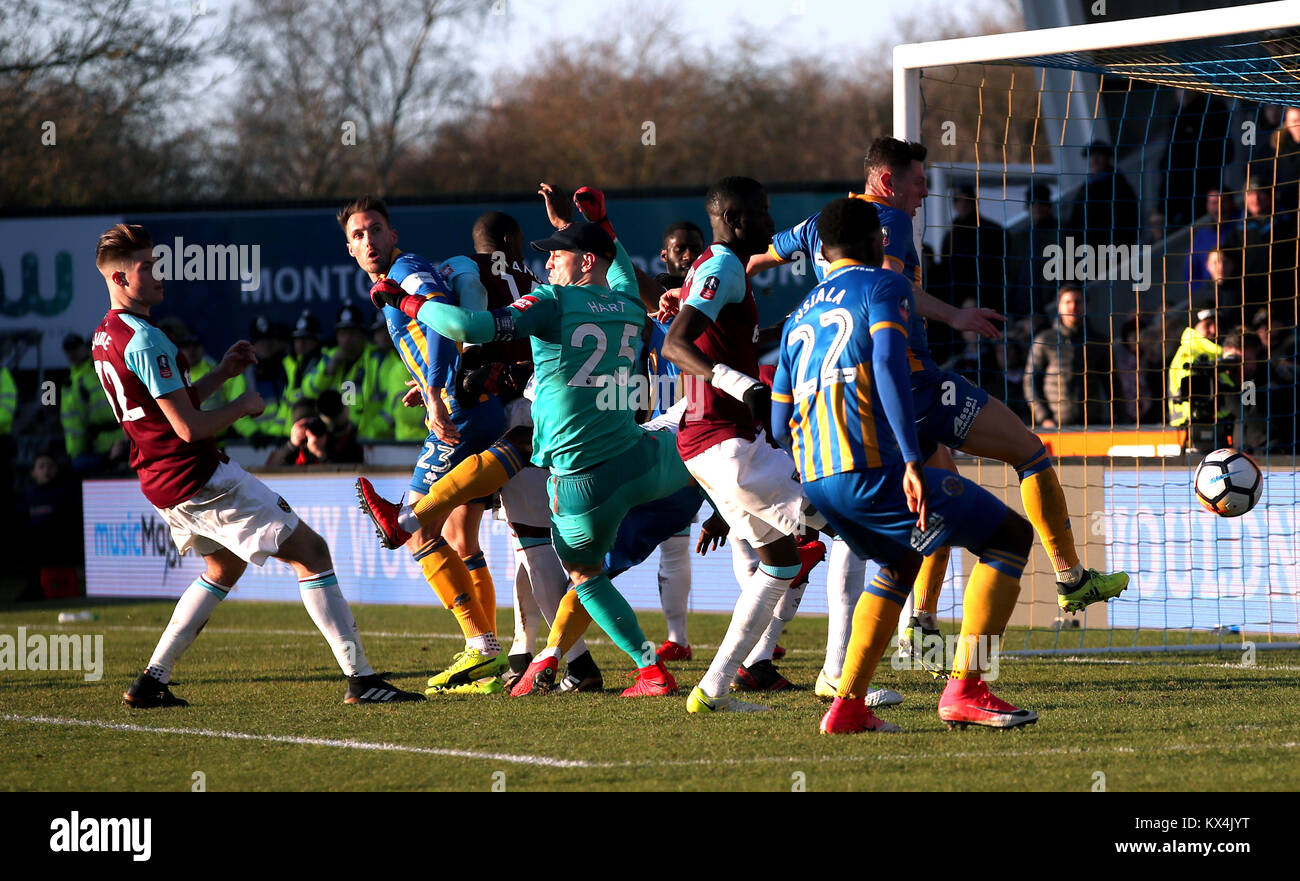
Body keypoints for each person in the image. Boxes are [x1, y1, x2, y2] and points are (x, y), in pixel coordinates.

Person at [750, 137, 1127, 641]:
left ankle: (918, 629)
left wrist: (709, 289)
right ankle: (1070, 578)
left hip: (854, 408)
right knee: (1031, 453)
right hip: (914, 382)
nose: (925, 193)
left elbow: (760, 259)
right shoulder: (889, 222)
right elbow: (885, 285)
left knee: (932, 514)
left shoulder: (825, 221)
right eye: (918, 182)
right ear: (887, 182)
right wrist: (955, 314)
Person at [90, 222, 420, 707]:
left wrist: (221, 374)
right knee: (313, 552)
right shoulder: (146, 339)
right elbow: (187, 427)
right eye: (147, 267)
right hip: (199, 478)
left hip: (160, 482)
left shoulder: (105, 335)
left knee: (222, 568)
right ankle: (362, 679)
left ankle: (151, 680)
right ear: (120, 279)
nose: (159, 274)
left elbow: (170, 406)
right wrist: (243, 406)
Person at [363, 217, 685, 698]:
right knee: (707, 445)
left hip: (581, 479)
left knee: (585, 575)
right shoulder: (626, 305)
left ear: (586, 261)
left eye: (559, 252)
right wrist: (603, 225)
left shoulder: (553, 302)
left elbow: (468, 325)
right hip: (640, 460)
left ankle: (647, 667)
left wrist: (408, 303)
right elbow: (618, 269)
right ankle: (787, 514)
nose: (548, 259)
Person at [772, 197, 1038, 733]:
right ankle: (966, 688)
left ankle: (847, 706)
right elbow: (891, 363)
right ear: (878, 242)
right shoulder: (884, 285)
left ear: (821, 250)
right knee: (1010, 535)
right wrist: (912, 458)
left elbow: (779, 426)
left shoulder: (797, 317)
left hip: (820, 482)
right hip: (870, 471)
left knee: (899, 562)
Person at [660, 175, 829, 714]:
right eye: (763, 211)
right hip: (725, 441)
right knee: (848, 516)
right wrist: (742, 384)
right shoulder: (722, 265)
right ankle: (846, 683)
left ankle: (713, 688)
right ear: (735, 218)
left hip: (708, 445)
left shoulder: (721, 269)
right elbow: (675, 344)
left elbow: (735, 341)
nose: (773, 224)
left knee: (780, 563)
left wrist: (806, 318)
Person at [337, 195, 507, 695]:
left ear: (394, 236)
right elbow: (439, 333)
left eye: (375, 230)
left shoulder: (408, 267)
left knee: (414, 530)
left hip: (461, 413)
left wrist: (435, 392)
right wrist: (427, 381)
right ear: (349, 249)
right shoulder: (395, 280)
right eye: (358, 235)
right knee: (461, 535)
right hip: (475, 404)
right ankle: (491, 655)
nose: (368, 241)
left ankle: (480, 646)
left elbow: (439, 316)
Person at [1023, 285, 1112, 428]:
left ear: (1086, 306)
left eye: (1078, 302)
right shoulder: (1044, 339)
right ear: (1059, 307)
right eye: (1068, 302)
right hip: (1056, 425)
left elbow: (1112, 382)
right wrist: (1044, 418)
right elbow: (1030, 381)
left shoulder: (1098, 341)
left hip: (1093, 424)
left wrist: (1121, 418)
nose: (1073, 307)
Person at [60, 333, 118, 475]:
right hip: (89, 446)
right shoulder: (68, 382)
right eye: (68, 350)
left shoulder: (97, 371)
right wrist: (76, 450)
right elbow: (73, 420)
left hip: (114, 442)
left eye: (75, 348)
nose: (72, 353)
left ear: (85, 349)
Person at [1068, 140, 1140, 250]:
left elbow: (1129, 218)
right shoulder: (1084, 189)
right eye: (1090, 155)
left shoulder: (1118, 185)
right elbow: (1076, 222)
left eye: (1099, 155)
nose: (1094, 159)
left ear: (1107, 158)